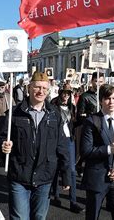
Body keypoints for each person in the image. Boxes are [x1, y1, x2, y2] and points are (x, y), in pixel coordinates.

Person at [0, 71, 70, 220]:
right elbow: (3, 136)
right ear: (29, 88)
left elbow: (62, 146)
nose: (41, 91)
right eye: (37, 87)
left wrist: (66, 175)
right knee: (20, 217)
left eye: (44, 88)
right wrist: (4, 145)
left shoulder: (54, 114)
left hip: (45, 176)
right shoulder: (15, 113)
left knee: (39, 217)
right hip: (20, 174)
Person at [80, 84, 114, 219]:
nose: (111, 102)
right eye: (108, 98)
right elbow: (85, 151)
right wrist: (108, 149)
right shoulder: (91, 121)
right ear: (101, 100)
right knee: (93, 216)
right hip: (97, 178)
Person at [50, 85, 84, 213]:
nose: (66, 95)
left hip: (69, 140)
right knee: (56, 168)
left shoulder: (72, 107)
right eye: (64, 93)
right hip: (57, 140)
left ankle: (73, 201)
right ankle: (55, 195)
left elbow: (74, 122)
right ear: (60, 93)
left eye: (68, 94)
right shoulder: (53, 106)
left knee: (72, 170)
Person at [76, 72, 104, 175]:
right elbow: (80, 114)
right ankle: (80, 165)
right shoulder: (85, 96)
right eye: (96, 81)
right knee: (88, 150)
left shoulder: (103, 96)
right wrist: (90, 116)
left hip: (102, 127)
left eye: (101, 81)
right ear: (92, 81)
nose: (98, 84)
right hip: (89, 127)